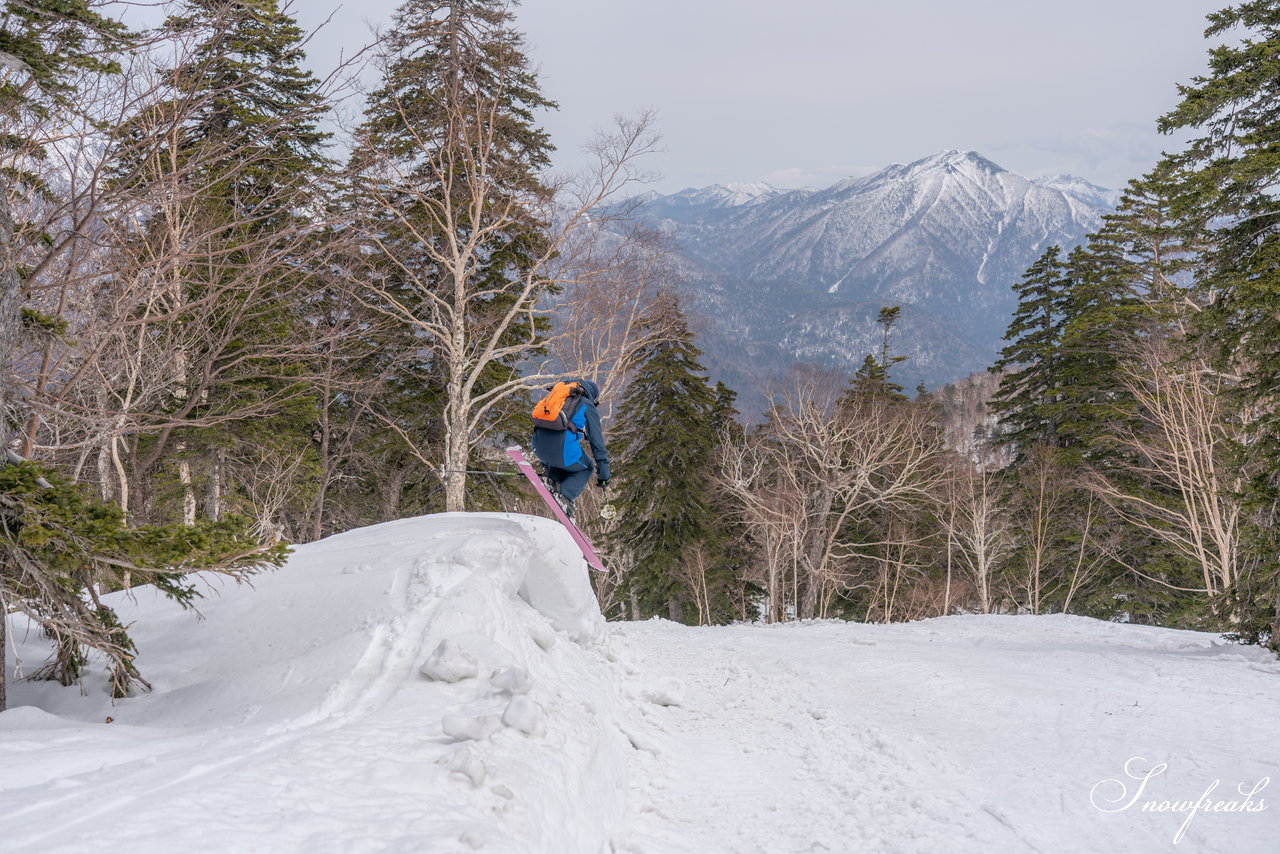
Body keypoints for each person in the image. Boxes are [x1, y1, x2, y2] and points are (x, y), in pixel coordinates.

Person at [531, 378, 610, 519]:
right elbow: (597, 441)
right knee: (586, 467)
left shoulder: (558, 400)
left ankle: (553, 480)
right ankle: (565, 495)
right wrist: (604, 474)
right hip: (562, 450)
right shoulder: (587, 404)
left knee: (563, 463)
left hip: (538, 447)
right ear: (593, 397)